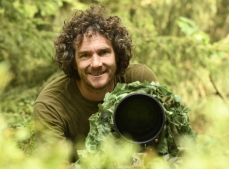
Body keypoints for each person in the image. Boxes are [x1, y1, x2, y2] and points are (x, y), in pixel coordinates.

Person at [33, 4, 158, 163]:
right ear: (74, 63)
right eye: (85, 55)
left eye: (104, 52)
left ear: (117, 55)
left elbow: (174, 139)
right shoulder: (51, 105)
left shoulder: (140, 80)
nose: (96, 63)